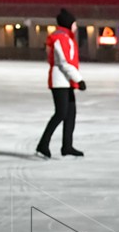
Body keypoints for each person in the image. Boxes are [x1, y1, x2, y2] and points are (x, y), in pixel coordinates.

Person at [36, 9, 86, 158]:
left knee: (70, 114)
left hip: (66, 81)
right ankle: (43, 144)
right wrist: (79, 79)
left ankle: (67, 146)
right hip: (60, 81)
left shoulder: (65, 37)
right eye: (75, 24)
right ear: (69, 24)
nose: (76, 27)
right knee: (61, 113)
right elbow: (64, 62)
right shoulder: (61, 38)